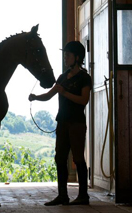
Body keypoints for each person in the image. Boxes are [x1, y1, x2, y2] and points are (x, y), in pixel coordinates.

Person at [28, 41, 91, 206]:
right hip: (62, 123)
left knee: (78, 158)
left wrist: (65, 93)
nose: (65, 58)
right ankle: (62, 195)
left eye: (68, 55)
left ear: (77, 57)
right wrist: (36, 97)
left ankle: (83, 195)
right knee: (60, 158)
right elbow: (49, 95)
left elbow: (84, 100)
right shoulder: (62, 77)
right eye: (65, 55)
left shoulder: (85, 77)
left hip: (77, 123)